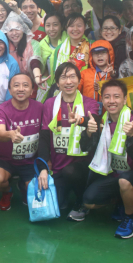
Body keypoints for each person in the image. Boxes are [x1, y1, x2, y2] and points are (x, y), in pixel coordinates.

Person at [80, 79, 133, 238]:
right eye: (107, 97)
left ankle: (130, 217)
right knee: (88, 201)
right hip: (113, 175)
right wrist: (89, 133)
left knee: (125, 181)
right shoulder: (101, 121)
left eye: (116, 96)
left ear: (125, 99)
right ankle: (121, 201)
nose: (111, 101)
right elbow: (85, 148)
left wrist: (132, 136)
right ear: (102, 100)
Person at [37, 62, 99, 221]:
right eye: (63, 77)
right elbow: (44, 137)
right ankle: (65, 193)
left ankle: (81, 201)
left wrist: (82, 120)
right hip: (58, 166)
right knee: (54, 206)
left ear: (79, 80)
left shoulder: (89, 103)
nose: (68, 82)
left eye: (72, 77)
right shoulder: (50, 104)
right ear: (57, 83)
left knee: (70, 172)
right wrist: (43, 167)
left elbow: (94, 123)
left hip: (82, 166)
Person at [0, 73, 43, 211]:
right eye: (16, 85)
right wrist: (10, 134)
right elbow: (0, 134)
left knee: (37, 189)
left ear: (32, 90)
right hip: (5, 160)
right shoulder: (0, 110)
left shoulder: (40, 108)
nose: (21, 89)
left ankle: (24, 186)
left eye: (25, 85)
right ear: (9, 90)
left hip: (30, 161)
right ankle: (8, 191)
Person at [51, 13, 90, 77]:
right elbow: (56, 74)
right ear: (66, 28)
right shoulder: (59, 49)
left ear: (85, 27)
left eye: (79, 25)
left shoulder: (91, 46)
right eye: (71, 26)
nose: (75, 29)